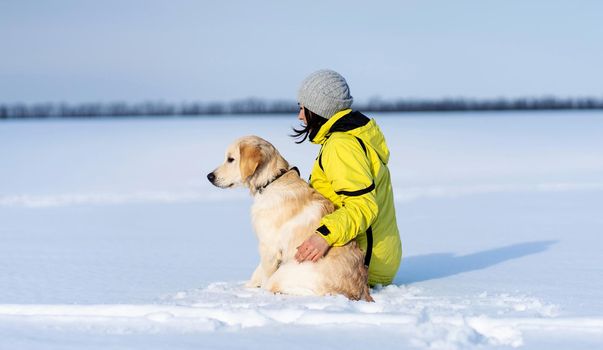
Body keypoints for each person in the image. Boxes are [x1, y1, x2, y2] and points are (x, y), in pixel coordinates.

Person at [292, 69, 402, 286]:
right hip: (376, 256)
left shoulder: (341, 146)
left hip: (361, 264)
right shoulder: (349, 138)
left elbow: (362, 206)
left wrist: (324, 235)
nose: (300, 116)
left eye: (303, 108)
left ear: (319, 109)